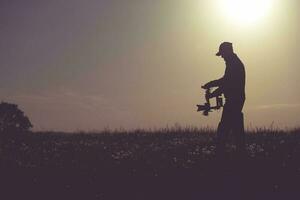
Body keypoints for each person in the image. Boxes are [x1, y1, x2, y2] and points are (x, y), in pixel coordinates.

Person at [202, 42, 246, 157]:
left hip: (234, 100)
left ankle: (220, 155)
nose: (221, 56)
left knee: (224, 128)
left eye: (222, 54)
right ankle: (241, 154)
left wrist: (213, 91)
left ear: (228, 51)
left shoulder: (234, 64)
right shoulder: (233, 63)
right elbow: (226, 81)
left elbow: (227, 83)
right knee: (236, 127)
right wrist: (212, 84)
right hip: (235, 99)